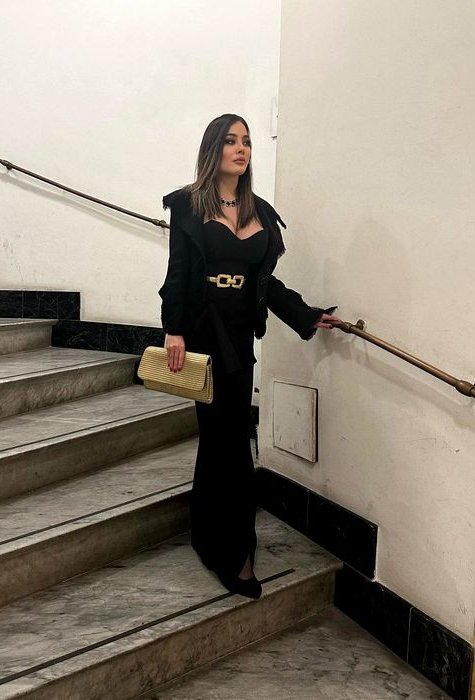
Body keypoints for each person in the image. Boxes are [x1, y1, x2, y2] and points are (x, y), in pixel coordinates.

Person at [158, 114, 339, 600]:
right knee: (229, 443)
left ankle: (209, 536)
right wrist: (173, 329)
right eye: (231, 141)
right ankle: (235, 554)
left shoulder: (259, 210)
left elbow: (266, 284)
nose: (242, 149)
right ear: (213, 148)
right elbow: (178, 272)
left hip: (239, 339)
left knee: (225, 440)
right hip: (202, 334)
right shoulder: (188, 205)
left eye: (247, 142)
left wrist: (307, 315)